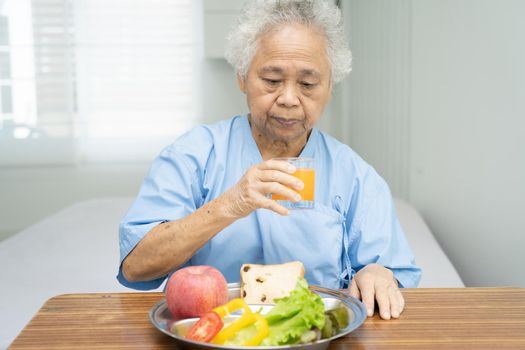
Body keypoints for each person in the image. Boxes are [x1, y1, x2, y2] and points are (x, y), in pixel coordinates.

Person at [118, 0, 421, 320]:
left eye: (307, 83)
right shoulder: (192, 156)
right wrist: (230, 204)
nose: (289, 99)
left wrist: (378, 273)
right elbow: (137, 266)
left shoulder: (355, 175)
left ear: (330, 87)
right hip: (213, 333)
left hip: (314, 333)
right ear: (242, 77)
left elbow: (392, 272)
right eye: (272, 80)